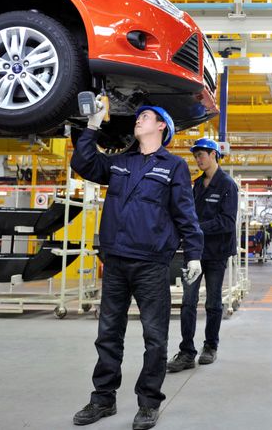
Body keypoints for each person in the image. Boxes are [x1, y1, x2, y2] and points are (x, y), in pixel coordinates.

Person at [71, 100, 204, 430]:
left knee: (155, 338)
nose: (138, 120)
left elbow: (185, 214)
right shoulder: (119, 163)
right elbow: (84, 163)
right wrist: (91, 126)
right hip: (115, 261)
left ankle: (148, 402)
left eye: (145, 116)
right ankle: (103, 398)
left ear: (162, 127)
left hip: (151, 264)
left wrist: (194, 254)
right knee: (108, 336)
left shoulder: (173, 166)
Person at [167, 138, 239, 372]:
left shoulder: (227, 185)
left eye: (202, 155)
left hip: (217, 253)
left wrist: (197, 227)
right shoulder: (196, 186)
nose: (198, 159)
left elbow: (227, 222)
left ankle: (210, 346)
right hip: (194, 251)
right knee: (188, 302)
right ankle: (187, 352)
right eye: (196, 156)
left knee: (213, 302)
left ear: (214, 155)